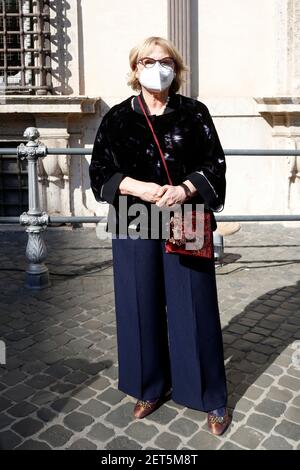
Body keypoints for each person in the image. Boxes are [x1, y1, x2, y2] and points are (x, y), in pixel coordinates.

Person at [89, 36, 230, 435]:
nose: (157, 67)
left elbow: (215, 166)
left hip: (184, 214)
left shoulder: (195, 113)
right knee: (139, 304)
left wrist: (184, 189)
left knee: (195, 306)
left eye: (165, 61)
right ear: (136, 69)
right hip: (134, 216)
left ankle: (209, 394)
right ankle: (149, 385)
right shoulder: (117, 117)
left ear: (176, 69)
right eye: (148, 60)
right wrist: (137, 187)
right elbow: (99, 173)